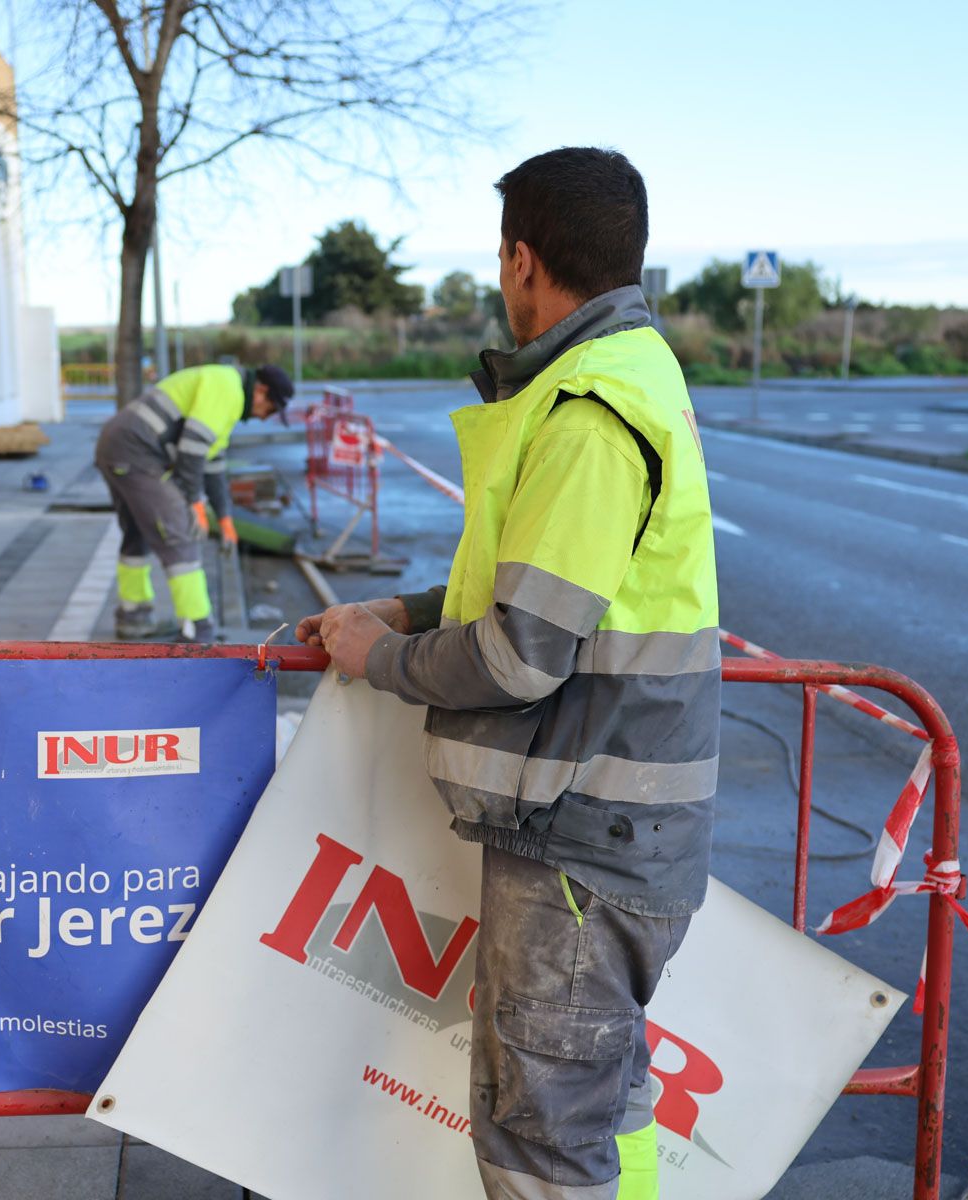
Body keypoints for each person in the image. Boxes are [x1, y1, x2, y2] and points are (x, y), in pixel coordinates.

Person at [297, 147, 719, 1200]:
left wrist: (381, 658)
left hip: (585, 841)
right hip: (615, 832)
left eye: (500, 257)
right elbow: (548, 596)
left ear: (524, 260)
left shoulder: (587, 416)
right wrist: (401, 610)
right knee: (605, 1105)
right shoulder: (630, 374)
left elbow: (520, 653)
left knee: (540, 1143)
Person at [98, 363, 294, 640]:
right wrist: (195, 505)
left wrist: (225, 519)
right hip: (136, 452)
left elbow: (212, 464)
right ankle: (198, 628)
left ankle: (133, 616)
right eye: (271, 409)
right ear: (261, 391)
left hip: (120, 446)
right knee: (182, 533)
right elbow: (192, 450)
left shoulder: (227, 393)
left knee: (137, 533)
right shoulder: (229, 389)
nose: (265, 418)